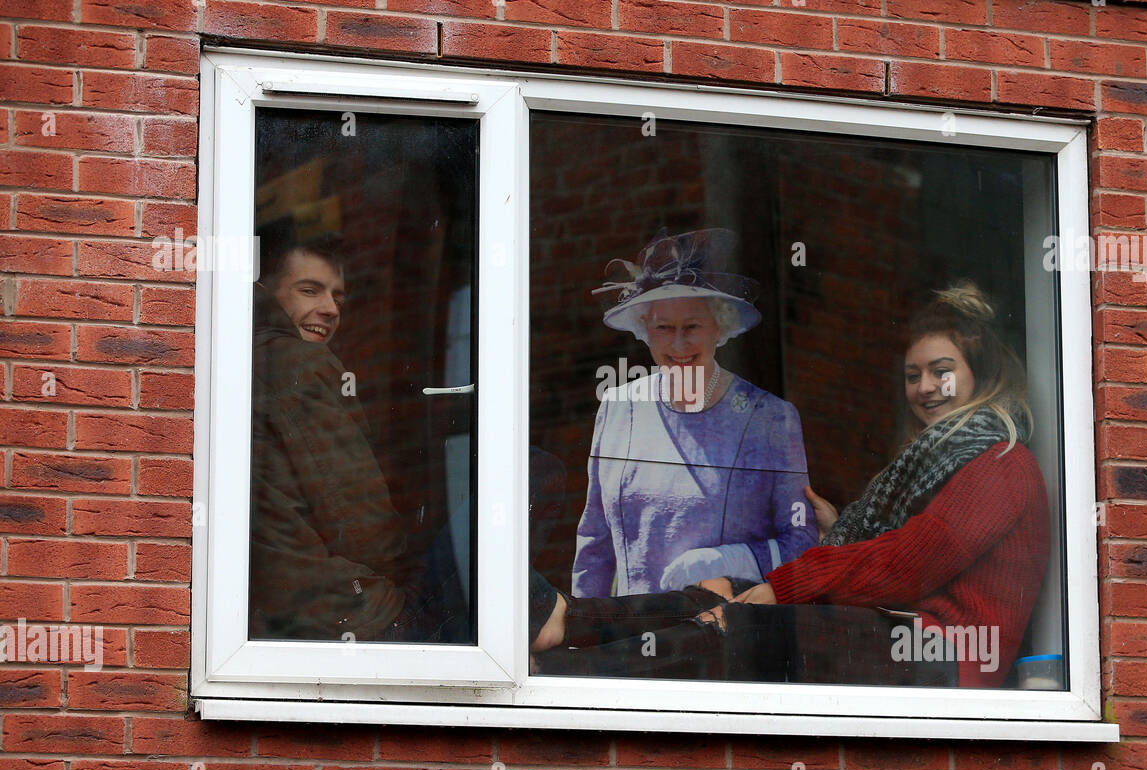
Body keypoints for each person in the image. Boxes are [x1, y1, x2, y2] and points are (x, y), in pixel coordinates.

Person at [535, 282, 1051, 689]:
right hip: (899, 630)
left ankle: (569, 680)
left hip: (945, 654)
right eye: (912, 374)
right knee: (714, 593)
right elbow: (900, 553)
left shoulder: (1000, 463)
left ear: (980, 375)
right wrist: (837, 531)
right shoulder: (941, 460)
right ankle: (568, 616)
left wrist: (785, 585)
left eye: (942, 371)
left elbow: (910, 561)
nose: (924, 388)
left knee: (738, 628)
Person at [249, 238, 565, 648]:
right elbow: (357, 520)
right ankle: (545, 617)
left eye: (338, 296)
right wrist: (404, 577)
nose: (330, 308)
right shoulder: (298, 362)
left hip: (296, 617)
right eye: (309, 290)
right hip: (364, 617)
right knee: (533, 468)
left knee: (539, 603)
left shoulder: (240, 359)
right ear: (266, 292)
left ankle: (542, 612)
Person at [571, 228, 818, 597]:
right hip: (628, 635)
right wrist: (584, 633)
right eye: (663, 327)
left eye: (692, 326)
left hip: (721, 632)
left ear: (720, 327)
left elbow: (802, 544)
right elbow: (595, 541)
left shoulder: (769, 418)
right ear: (644, 329)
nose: (678, 343)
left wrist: (725, 561)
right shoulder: (618, 407)